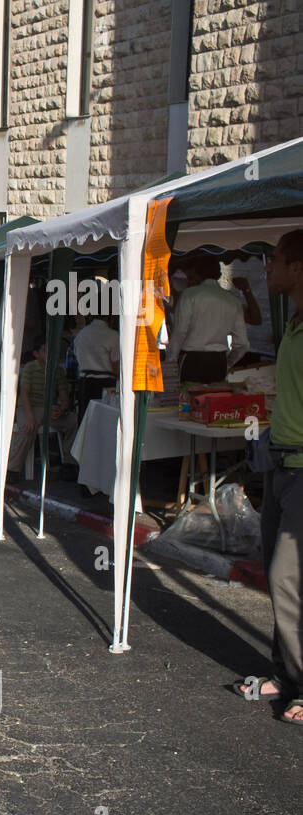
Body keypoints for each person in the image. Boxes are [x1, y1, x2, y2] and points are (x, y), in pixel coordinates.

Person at [236, 229, 303, 726]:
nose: (268, 270)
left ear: (297, 267)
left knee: (288, 576)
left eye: (275, 261)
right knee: (280, 576)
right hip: (281, 464)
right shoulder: (296, 321)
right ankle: (285, 673)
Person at [168, 254, 250, 384]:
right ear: (218, 275)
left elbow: (180, 331)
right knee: (216, 401)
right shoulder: (233, 300)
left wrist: (171, 361)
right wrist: (228, 363)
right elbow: (243, 343)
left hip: (191, 360)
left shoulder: (189, 294)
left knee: (188, 400)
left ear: (197, 273)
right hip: (219, 361)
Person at [8, 337, 78, 481]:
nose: (50, 354)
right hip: (29, 406)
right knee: (28, 428)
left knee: (73, 420)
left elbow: (64, 395)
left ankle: (68, 462)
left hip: (48, 409)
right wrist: (29, 417)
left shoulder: (57, 370)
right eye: (45, 350)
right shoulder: (30, 368)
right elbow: (24, 394)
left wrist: (62, 409)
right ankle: (13, 469)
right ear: (36, 354)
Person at [71, 310, 121, 411]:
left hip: (85, 382)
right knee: (103, 418)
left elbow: (77, 356)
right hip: (106, 384)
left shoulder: (81, 334)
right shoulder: (113, 336)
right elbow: (116, 365)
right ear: (110, 316)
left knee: (85, 418)